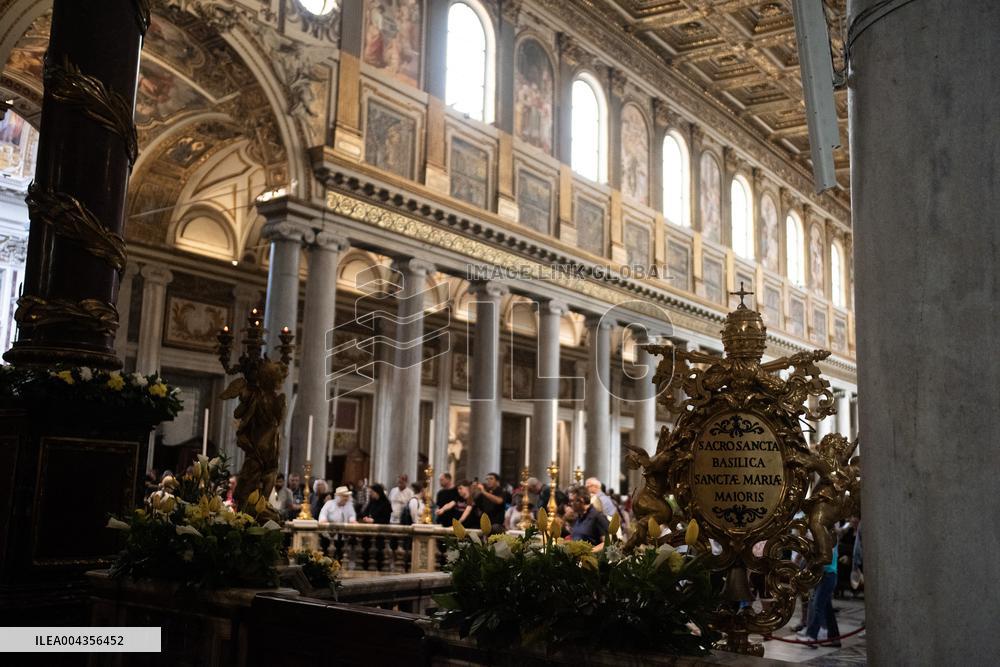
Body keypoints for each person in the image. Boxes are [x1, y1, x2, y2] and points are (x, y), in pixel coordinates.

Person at [804, 544, 842, 649]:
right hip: (825, 575)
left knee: (817, 606)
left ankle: (812, 636)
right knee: (827, 609)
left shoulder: (830, 538)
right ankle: (834, 638)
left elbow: (825, 559)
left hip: (828, 575)